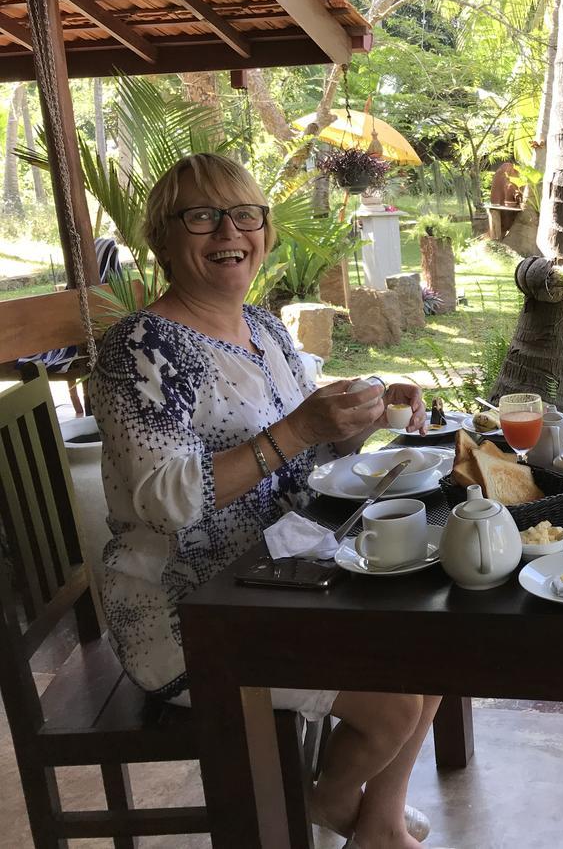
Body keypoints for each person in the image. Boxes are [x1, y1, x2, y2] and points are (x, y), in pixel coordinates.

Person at [91, 153, 438, 849]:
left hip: (277, 576)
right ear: (162, 237)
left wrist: (359, 415)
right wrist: (300, 428)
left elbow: (296, 450)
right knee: (396, 705)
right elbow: (166, 500)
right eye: (202, 215)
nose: (229, 230)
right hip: (191, 614)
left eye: (245, 213)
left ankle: (378, 821)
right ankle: (339, 802)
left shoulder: (264, 328)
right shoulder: (141, 350)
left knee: (436, 644)